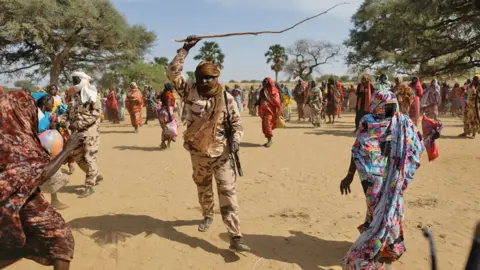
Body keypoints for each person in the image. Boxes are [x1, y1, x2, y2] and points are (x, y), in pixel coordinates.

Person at [167, 36, 250, 251]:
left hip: (222, 154)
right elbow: (172, 73)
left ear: (216, 78)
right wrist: (185, 49)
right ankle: (206, 215)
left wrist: (235, 142)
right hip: (198, 153)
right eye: (201, 78)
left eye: (209, 79)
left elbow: (237, 125)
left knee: (228, 192)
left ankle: (235, 235)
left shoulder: (228, 98)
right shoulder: (190, 92)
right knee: (203, 188)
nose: (204, 82)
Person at [0, 90, 85, 270]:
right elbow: (40, 175)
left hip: (12, 202)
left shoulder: (7, 136)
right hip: (15, 203)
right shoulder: (17, 144)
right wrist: (67, 150)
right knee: (60, 239)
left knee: (12, 246)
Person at [340, 90, 425, 270]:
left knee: (391, 211)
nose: (391, 110)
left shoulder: (402, 121)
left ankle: (389, 247)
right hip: (373, 180)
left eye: (393, 106)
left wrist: (431, 137)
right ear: (377, 106)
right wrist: (349, 175)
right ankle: (369, 256)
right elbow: (357, 150)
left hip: (394, 179)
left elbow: (417, 143)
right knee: (377, 213)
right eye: (386, 107)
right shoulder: (368, 122)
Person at [66, 71, 103, 198]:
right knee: (76, 155)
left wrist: (80, 124)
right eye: (73, 80)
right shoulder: (74, 96)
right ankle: (95, 174)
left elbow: (96, 113)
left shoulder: (92, 95)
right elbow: (69, 111)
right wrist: (62, 120)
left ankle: (89, 186)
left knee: (89, 157)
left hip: (90, 131)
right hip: (77, 132)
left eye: (76, 80)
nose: (74, 83)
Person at [257, 78, 282, 147]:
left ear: (268, 83)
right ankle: (268, 139)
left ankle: (270, 140)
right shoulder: (262, 91)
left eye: (265, 83)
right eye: (263, 83)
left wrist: (279, 109)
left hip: (270, 111)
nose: (263, 84)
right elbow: (260, 99)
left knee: (267, 124)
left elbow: (277, 100)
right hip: (263, 111)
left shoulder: (274, 91)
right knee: (264, 126)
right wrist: (256, 104)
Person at [158, 83, 178, 149]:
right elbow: (168, 104)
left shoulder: (164, 93)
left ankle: (163, 143)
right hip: (167, 112)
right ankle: (169, 142)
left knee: (165, 128)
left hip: (161, 113)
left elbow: (158, 98)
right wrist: (169, 115)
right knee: (171, 127)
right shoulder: (169, 94)